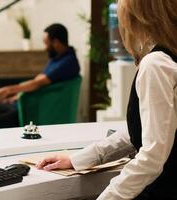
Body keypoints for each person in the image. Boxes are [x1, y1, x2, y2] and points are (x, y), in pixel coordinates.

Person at [36, 0, 177, 199]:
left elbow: (152, 157)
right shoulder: (169, 57)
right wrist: (78, 159)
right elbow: (144, 128)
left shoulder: (155, 64)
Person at [0, 23, 80, 128]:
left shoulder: (67, 63)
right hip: (25, 103)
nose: (45, 48)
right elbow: (39, 78)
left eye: (46, 44)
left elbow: (38, 83)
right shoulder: (57, 58)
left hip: (34, 109)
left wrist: (7, 90)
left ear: (56, 42)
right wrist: (15, 96)